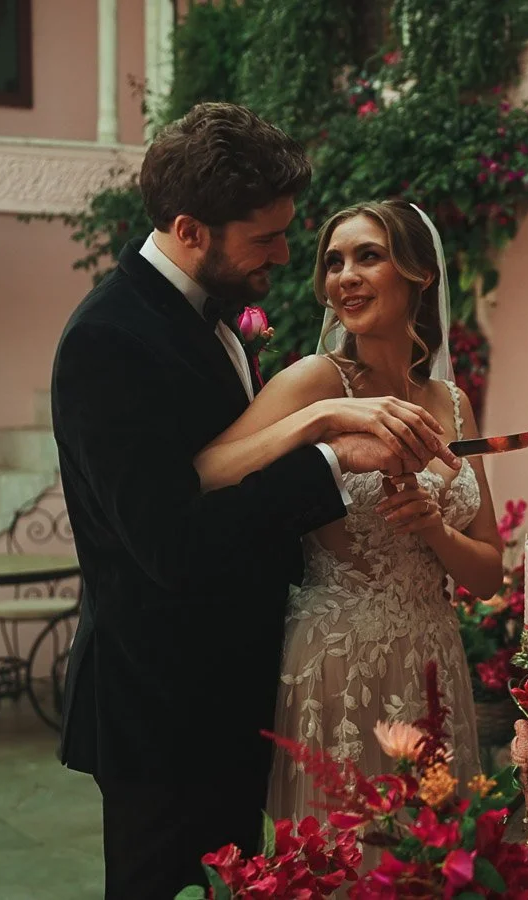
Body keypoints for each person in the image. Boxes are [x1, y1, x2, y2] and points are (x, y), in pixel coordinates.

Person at [49, 103, 458, 900]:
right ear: (190, 227)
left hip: (243, 689)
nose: (283, 253)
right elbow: (170, 542)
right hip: (162, 707)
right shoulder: (109, 339)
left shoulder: (224, 316)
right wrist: (329, 457)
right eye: (264, 237)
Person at [188, 200, 503, 818]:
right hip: (340, 664)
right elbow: (205, 473)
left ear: (420, 274)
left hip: (434, 658)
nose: (345, 276)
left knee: (434, 859)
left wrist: (434, 528)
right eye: (333, 262)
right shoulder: (315, 379)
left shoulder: (453, 401)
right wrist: (319, 420)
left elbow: (489, 575)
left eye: (368, 256)